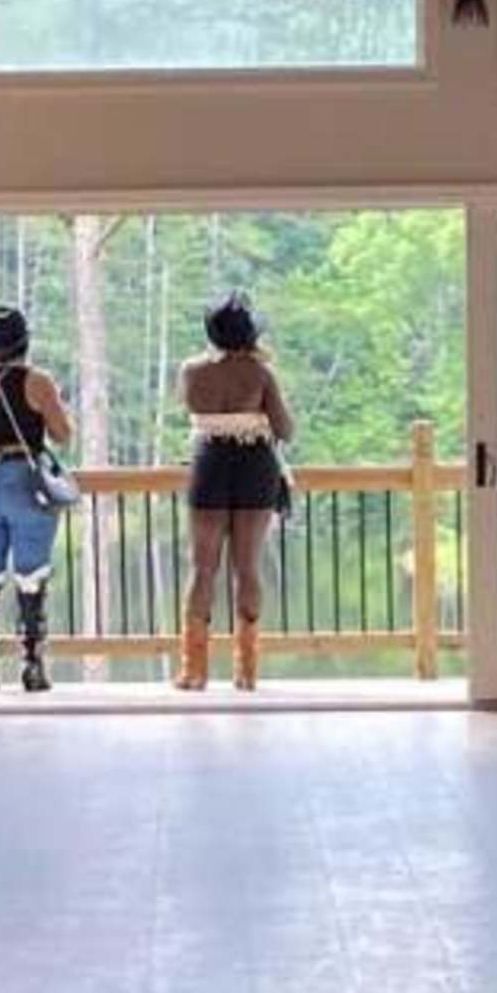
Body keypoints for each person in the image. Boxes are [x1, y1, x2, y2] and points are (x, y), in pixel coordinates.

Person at [0, 300, 73, 695]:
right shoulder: (38, 381)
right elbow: (62, 433)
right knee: (31, 573)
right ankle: (32, 664)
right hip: (25, 478)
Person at [176, 293, 294, 694]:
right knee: (247, 565)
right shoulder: (261, 374)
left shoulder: (192, 371)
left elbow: (191, 408)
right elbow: (285, 429)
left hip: (208, 461)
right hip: (254, 464)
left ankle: (194, 671)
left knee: (202, 566)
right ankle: (246, 671)